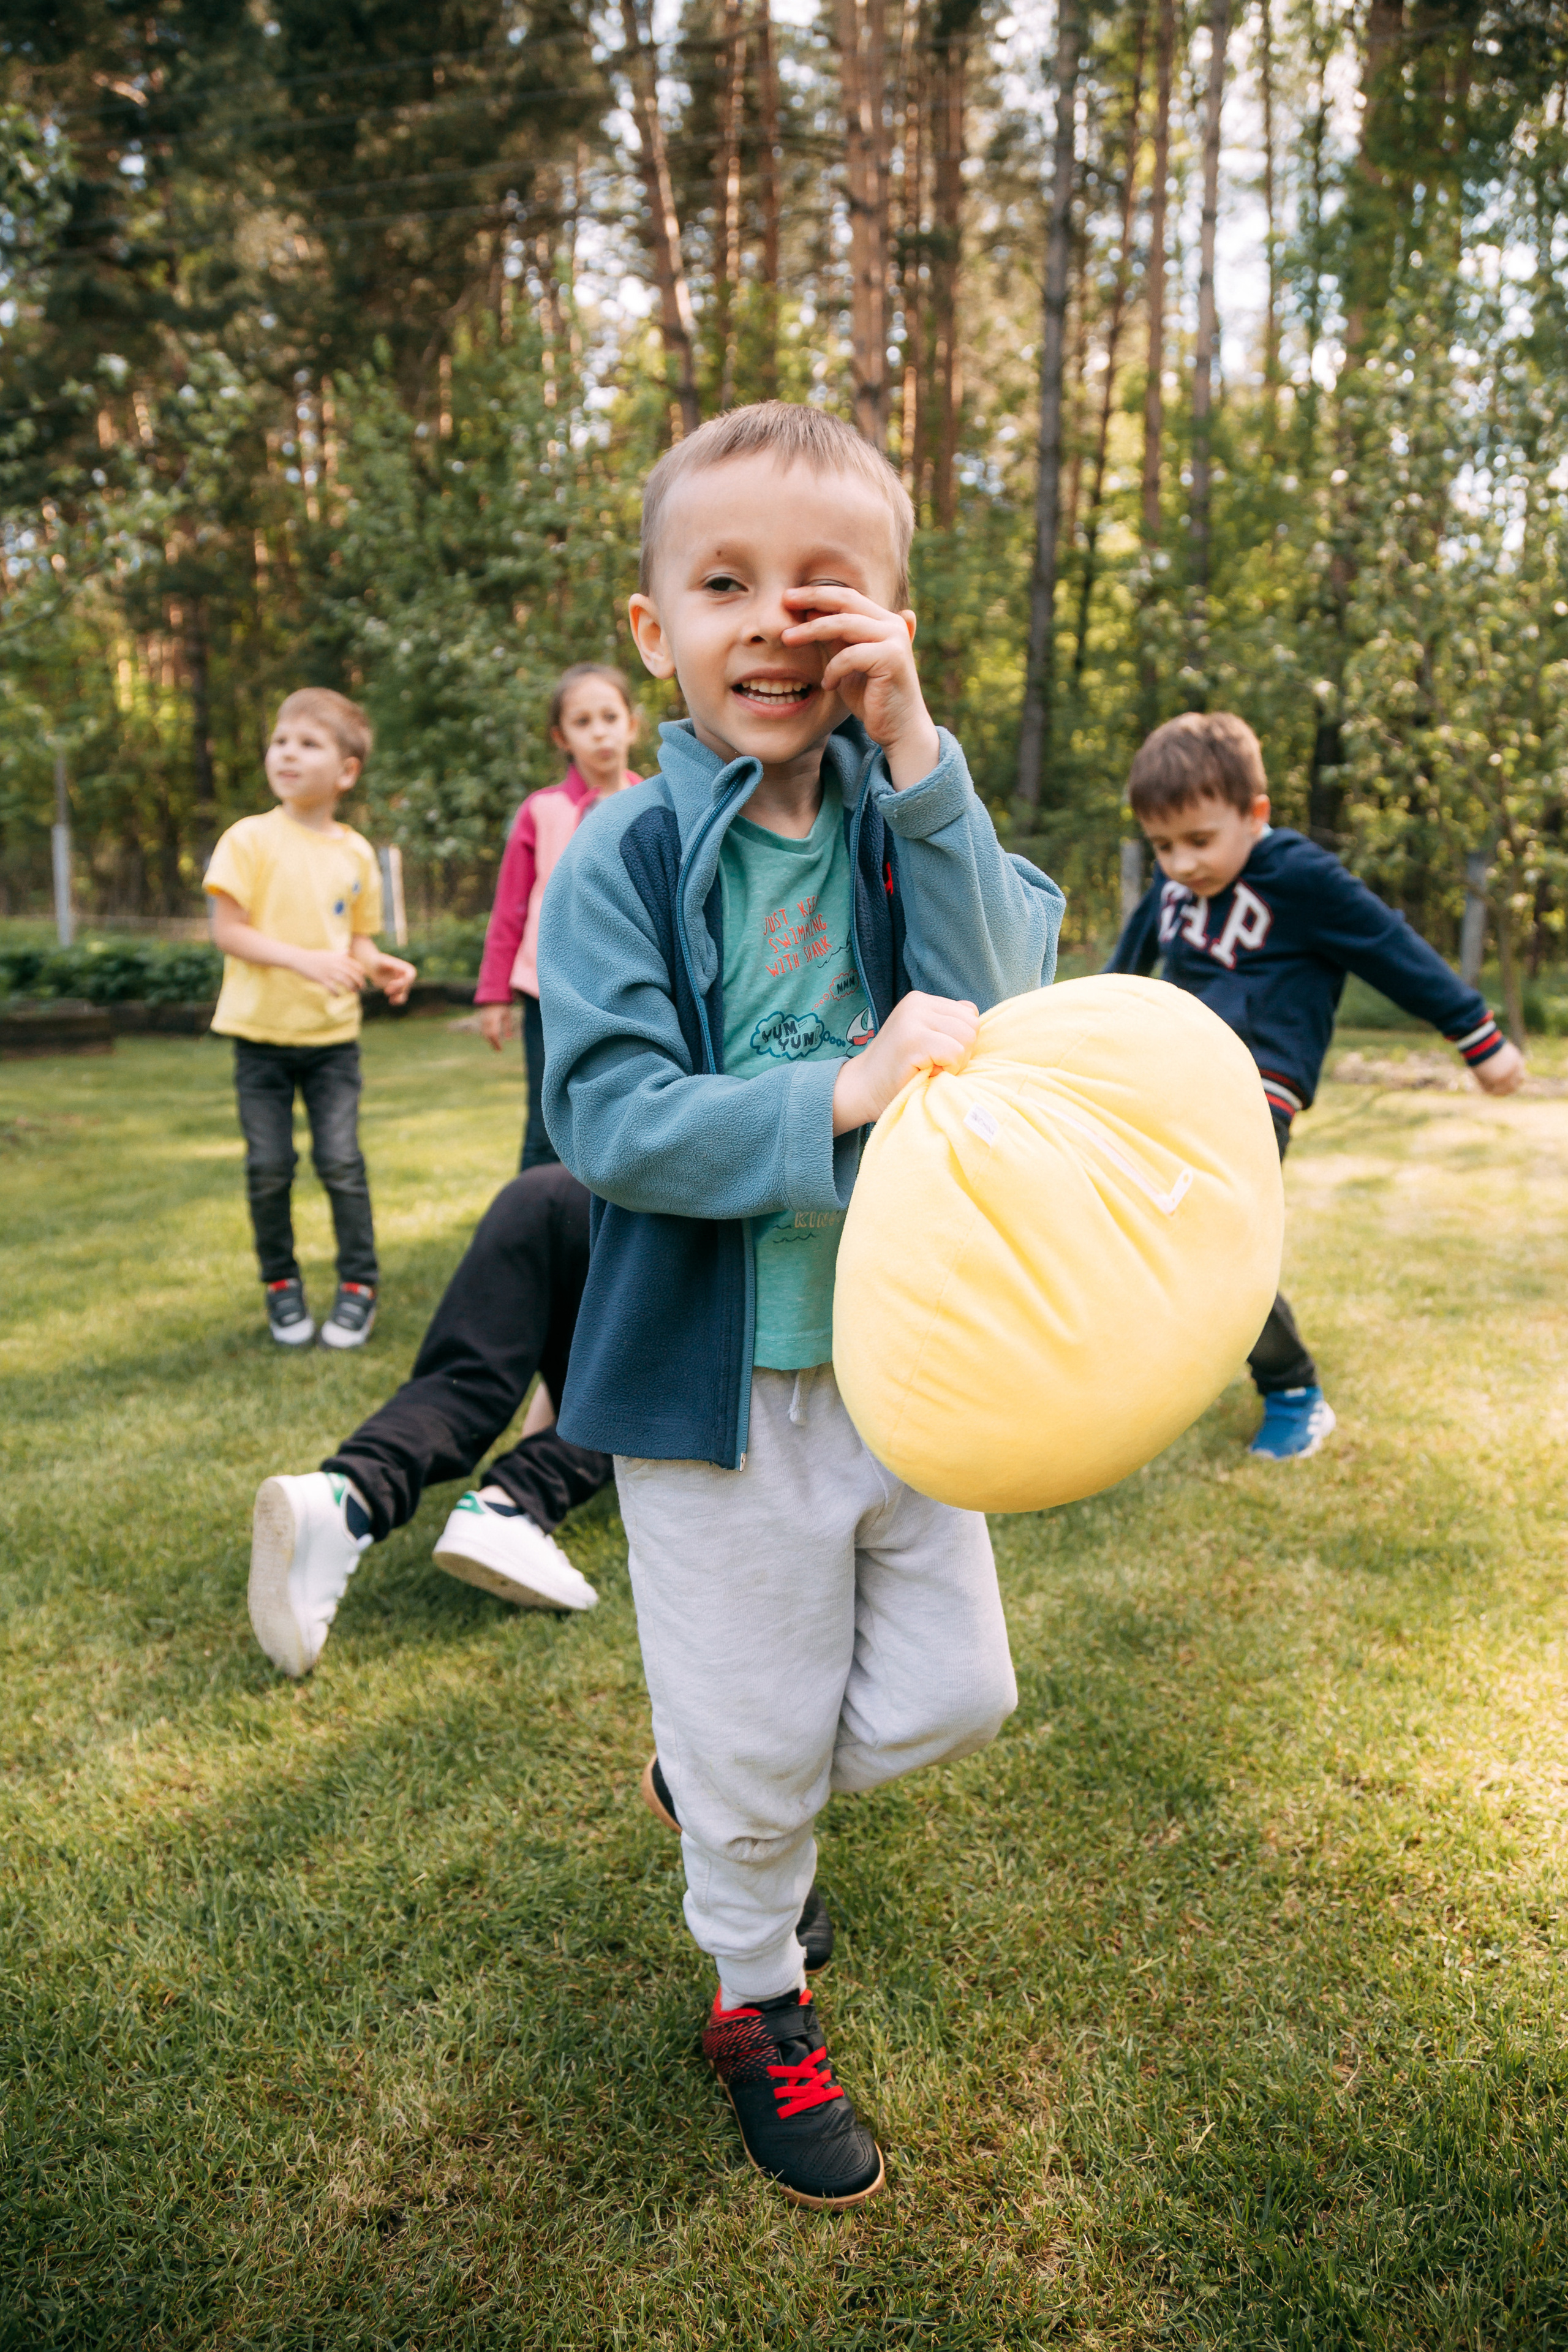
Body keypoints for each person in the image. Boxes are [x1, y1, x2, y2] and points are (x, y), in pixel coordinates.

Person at [538, 401, 1064, 2210]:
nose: (773, 622)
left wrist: (920, 746)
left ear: (889, 621)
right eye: (725, 584)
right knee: (760, 1745)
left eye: (822, 589)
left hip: (911, 1364)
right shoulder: (623, 849)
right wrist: (835, 1091)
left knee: (959, 1691)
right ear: (652, 626)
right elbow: (600, 1112)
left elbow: (1008, 992)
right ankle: (755, 1989)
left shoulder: (905, 817)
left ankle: (717, 1775)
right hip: (720, 1394)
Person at [1107, 710, 1525, 1460]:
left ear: (1254, 815)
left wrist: (1478, 1037)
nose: (1180, 864)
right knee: (1137, 1235)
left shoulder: (1297, 875)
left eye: (1199, 841)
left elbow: (1390, 947)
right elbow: (1119, 978)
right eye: (1162, 846)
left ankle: (1293, 1388)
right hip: (1160, 1085)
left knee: (1216, 1246)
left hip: (1253, 1090)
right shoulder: (1170, 892)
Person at [246, 1163, 612, 1679]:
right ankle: (507, 1511)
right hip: (650, 1231)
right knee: (663, 1396)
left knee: (466, 1378)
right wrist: (533, 1482)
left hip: (541, 1193)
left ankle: (343, 1495)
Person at [206, 689, 417, 1349]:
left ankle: (359, 1285)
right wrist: (306, 963)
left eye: (307, 743)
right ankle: (280, 1283)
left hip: (333, 1043)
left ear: (346, 772)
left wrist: (379, 965)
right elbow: (229, 933)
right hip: (259, 1040)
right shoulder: (247, 839)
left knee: (341, 1162)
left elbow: (351, 942)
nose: (287, 752)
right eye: (280, 741)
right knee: (269, 1167)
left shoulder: (356, 854)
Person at [474, 665, 642, 1169]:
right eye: (583, 721)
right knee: (546, 1123)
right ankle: (540, 1230)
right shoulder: (540, 811)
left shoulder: (655, 803)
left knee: (627, 1112)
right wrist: (493, 994)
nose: (600, 732)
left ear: (632, 724)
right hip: (550, 997)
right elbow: (511, 907)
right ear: (561, 738)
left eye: (610, 717)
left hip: (629, 990)